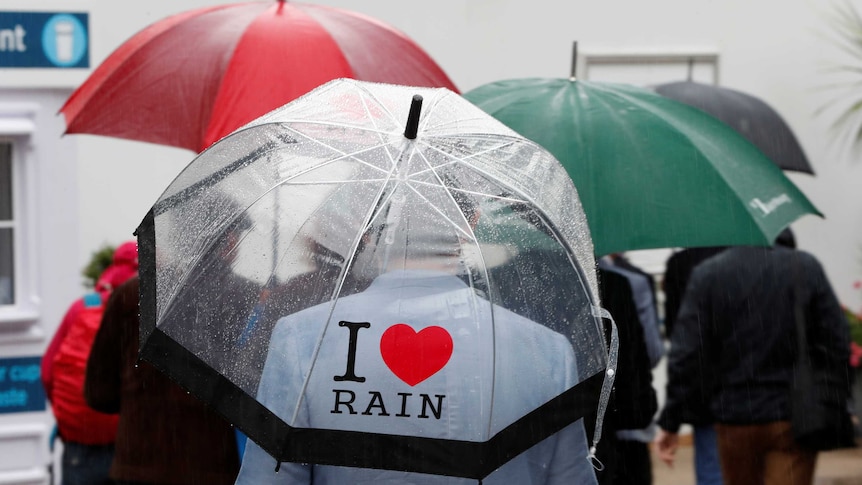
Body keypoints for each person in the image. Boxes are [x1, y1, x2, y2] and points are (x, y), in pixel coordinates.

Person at [235, 187, 599, 484]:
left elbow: (269, 479)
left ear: (374, 224)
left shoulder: (302, 338)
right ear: (469, 222)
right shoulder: (546, 351)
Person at [655, 229, 850, 485]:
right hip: (794, 412)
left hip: (734, 414)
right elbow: (836, 340)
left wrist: (671, 420)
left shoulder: (709, 274)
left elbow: (687, 354)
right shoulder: (804, 268)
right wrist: (831, 397)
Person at [85, 276, 240, 485]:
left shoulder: (131, 294)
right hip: (212, 466)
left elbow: (99, 394)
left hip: (138, 462)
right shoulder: (239, 296)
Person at [41, 241, 138, 485]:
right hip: (129, 447)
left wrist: (69, 420)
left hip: (81, 444)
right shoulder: (144, 309)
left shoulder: (83, 308)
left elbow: (47, 373)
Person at [659, 246, 727, 485]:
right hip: (761, 390)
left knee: (713, 469)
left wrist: (672, 417)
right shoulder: (757, 257)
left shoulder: (682, 263)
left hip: (706, 387)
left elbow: (680, 341)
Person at [593, 259, 659, 485]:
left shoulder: (514, 283)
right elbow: (652, 351)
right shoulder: (620, 283)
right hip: (623, 416)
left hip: (561, 427)